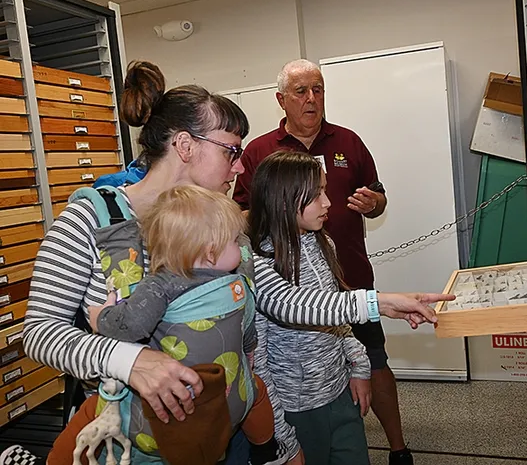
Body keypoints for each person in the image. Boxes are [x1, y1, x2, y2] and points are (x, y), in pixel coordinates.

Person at [13, 60, 453, 465]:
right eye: (230, 150)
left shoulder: (224, 226)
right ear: (185, 145)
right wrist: (130, 361)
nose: (240, 167)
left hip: (229, 433)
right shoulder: (91, 218)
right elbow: (38, 333)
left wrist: (381, 304)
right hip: (137, 441)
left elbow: (287, 302)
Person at [233, 59, 412, 464]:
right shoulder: (261, 152)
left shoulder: (348, 141)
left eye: (318, 89)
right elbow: (288, 306)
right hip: (298, 387)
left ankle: (398, 449)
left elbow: (378, 193)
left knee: (373, 362)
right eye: (301, 91)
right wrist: (274, 218)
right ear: (281, 100)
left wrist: (374, 203)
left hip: (348, 277)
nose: (312, 98)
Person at [46, 185, 290, 465]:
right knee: (256, 390)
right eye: (236, 240)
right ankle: (266, 449)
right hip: (230, 403)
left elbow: (128, 326)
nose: (241, 245)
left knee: (90, 412)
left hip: (167, 419)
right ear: (211, 251)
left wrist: (100, 317)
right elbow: (247, 331)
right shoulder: (237, 286)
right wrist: (247, 353)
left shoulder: (160, 285)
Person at [250, 150, 372, 465]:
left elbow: (335, 315)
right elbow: (259, 366)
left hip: (340, 392)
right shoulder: (260, 265)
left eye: (325, 190)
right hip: (297, 412)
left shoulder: (323, 244)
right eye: (316, 194)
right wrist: (284, 441)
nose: (328, 202)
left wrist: (358, 366)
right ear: (283, 201)